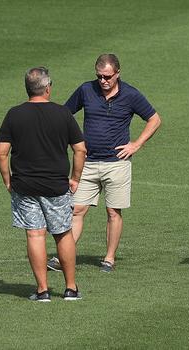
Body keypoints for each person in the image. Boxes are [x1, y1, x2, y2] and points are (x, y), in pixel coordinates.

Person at [47, 54, 161, 273]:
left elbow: (155, 119)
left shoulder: (131, 94)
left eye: (108, 77)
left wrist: (136, 145)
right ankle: (64, 257)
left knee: (113, 212)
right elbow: (65, 113)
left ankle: (109, 258)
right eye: (99, 76)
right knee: (77, 210)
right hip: (87, 163)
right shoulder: (86, 90)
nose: (103, 81)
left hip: (117, 163)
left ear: (117, 73)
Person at [0, 67, 86, 301]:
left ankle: (42, 290)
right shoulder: (63, 114)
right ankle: (70, 288)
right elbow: (80, 149)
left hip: (25, 186)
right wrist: (75, 178)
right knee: (63, 234)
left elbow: (1, 153)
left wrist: (8, 180)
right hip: (56, 186)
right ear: (48, 88)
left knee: (35, 235)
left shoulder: (14, 114)